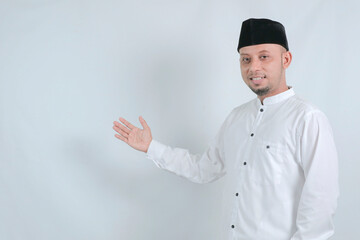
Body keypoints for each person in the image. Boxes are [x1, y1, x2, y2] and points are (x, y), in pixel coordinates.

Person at [112, 18, 339, 240]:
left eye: (264, 57)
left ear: (286, 59)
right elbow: (204, 168)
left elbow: (321, 202)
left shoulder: (307, 119)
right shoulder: (236, 118)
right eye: (246, 59)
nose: (254, 67)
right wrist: (151, 147)